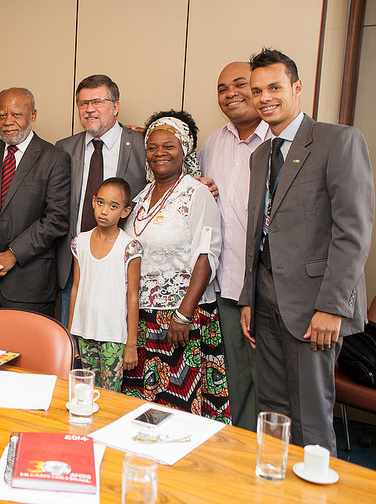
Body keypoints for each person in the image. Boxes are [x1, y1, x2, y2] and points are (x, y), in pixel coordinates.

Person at [239, 48, 374, 452]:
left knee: (311, 415)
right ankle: (273, 480)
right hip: (265, 299)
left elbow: (353, 232)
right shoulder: (261, 155)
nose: (265, 98)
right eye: (257, 91)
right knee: (272, 410)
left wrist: (333, 307)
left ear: (297, 87)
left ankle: (314, 484)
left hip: (315, 304)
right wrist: (248, 298)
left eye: (274, 87)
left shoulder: (338, 141)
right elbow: (258, 232)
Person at [122, 110, 230, 423]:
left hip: (181, 320)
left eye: (169, 146)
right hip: (143, 320)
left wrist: (183, 315)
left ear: (184, 151)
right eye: (152, 147)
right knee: (144, 410)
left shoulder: (196, 193)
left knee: (181, 409)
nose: (160, 153)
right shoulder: (142, 196)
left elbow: (206, 256)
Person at [197, 61, 270, 431]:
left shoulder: (279, 140)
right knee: (233, 382)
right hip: (225, 284)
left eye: (240, 84)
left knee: (270, 386)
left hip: (268, 290)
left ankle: (271, 454)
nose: (230, 94)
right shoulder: (213, 144)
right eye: (222, 89)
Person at [0, 87, 70, 318]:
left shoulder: (54, 158)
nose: (8, 121)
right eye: (2, 115)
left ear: (33, 115)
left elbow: (56, 219)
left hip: (30, 286)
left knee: (27, 343)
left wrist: (12, 255)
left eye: (16, 114)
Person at [56, 75, 147, 326]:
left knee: (115, 340)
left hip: (120, 265)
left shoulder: (142, 145)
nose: (89, 109)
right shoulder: (63, 148)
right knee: (71, 340)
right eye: (83, 103)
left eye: (97, 102)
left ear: (115, 106)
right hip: (74, 264)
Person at [67, 177, 141, 391]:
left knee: (110, 395)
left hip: (113, 336)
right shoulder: (79, 242)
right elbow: (76, 288)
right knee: (87, 392)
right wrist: (72, 333)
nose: (104, 211)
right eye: (100, 202)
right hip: (84, 332)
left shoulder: (130, 247)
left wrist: (131, 344)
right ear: (93, 201)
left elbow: (132, 296)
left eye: (113, 206)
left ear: (125, 211)